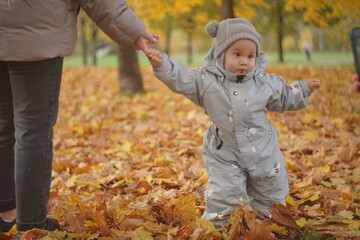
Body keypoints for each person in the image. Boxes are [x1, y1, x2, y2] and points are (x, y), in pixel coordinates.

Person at [0, 0, 157, 238]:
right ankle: (31, 226)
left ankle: (7, 213)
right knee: (33, 129)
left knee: (4, 124)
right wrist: (133, 31)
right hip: (38, 29)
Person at [146, 18, 321, 229]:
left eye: (250, 56)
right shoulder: (205, 80)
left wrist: (303, 89)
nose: (244, 61)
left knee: (270, 190)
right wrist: (162, 64)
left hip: (263, 150)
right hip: (224, 151)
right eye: (237, 54)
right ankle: (219, 228)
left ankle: (270, 226)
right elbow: (182, 78)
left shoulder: (263, 82)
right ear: (221, 54)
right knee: (225, 192)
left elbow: (284, 95)